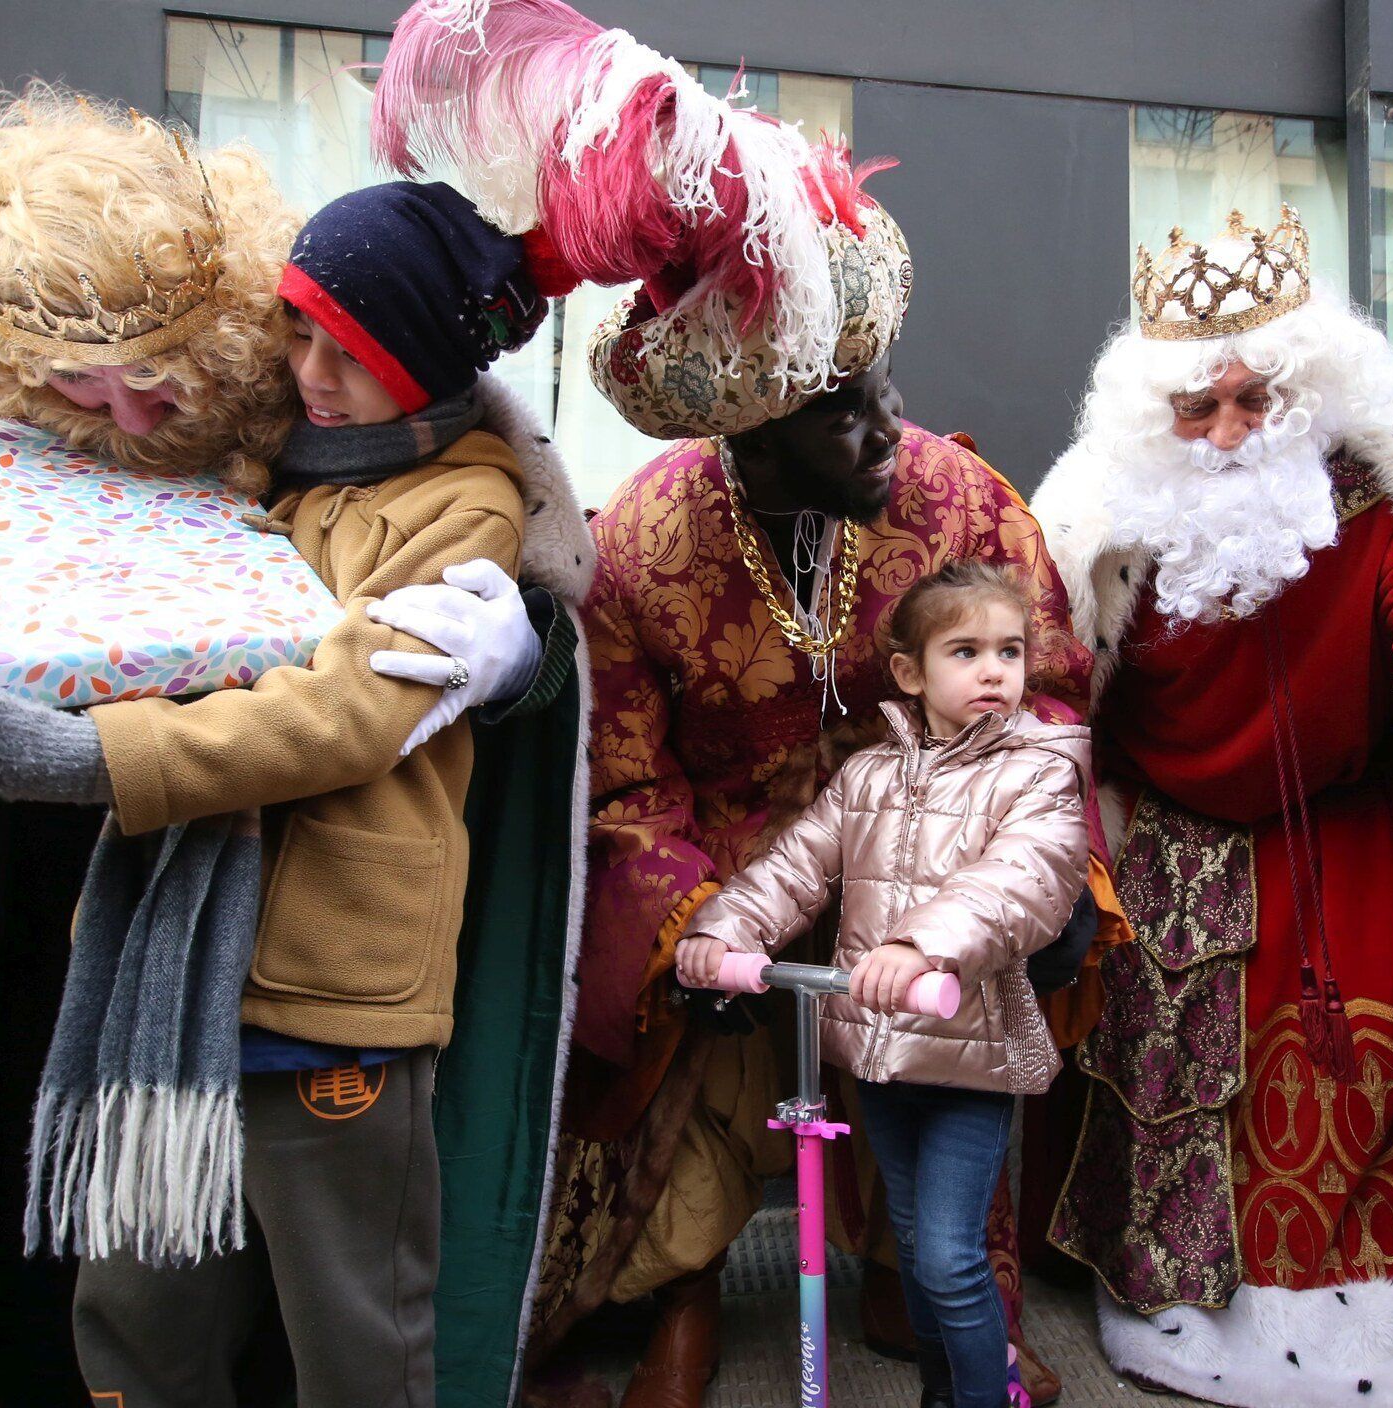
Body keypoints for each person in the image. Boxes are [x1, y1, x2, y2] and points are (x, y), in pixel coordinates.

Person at [0, 89, 587, 1408]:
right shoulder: (185, 434)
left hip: (303, 955)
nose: (116, 398)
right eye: (297, 330)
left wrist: (519, 662)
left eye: (347, 346)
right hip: (136, 961)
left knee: (341, 1320)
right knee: (128, 1303)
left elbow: (397, 680)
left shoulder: (408, 466)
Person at [366, 6, 1110, 1403]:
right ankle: (682, 1296)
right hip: (742, 872)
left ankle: (929, 1283)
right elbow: (630, 781)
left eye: (885, 395)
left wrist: (1045, 878)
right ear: (751, 433)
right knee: (688, 1032)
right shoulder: (645, 543)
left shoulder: (961, 498)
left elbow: (1051, 695)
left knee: (949, 1033)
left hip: (937, 866)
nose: (895, 433)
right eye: (846, 415)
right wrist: (703, 927)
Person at [1032, 204, 1393, 1407]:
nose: (1232, 432)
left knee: (1350, 1079)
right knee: (1168, 1078)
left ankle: (1358, 1333)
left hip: (1339, 837)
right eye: (1201, 407)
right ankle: (1171, 1315)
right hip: (1168, 844)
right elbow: (1048, 679)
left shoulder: (1371, 489)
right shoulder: (1103, 509)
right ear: (1157, 416)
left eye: (1258, 399)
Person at [677, 561, 1091, 1408]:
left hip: (969, 1049)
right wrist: (726, 931)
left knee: (946, 1257)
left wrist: (920, 945)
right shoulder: (866, 777)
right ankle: (948, 1389)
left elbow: (1021, 881)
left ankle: (985, 1394)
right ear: (911, 672)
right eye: (966, 650)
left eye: (1009, 652)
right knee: (910, 1244)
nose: (992, 671)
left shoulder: (1040, 772)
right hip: (880, 1052)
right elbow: (796, 868)